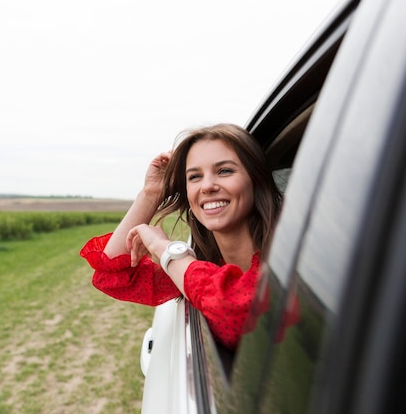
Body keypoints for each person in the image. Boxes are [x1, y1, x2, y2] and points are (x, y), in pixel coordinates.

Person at [79, 123, 282, 350]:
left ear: (256, 179)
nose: (207, 186)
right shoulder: (202, 269)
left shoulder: (284, 262)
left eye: (224, 171)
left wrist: (166, 251)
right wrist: (151, 193)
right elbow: (111, 276)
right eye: (194, 176)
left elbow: (238, 311)